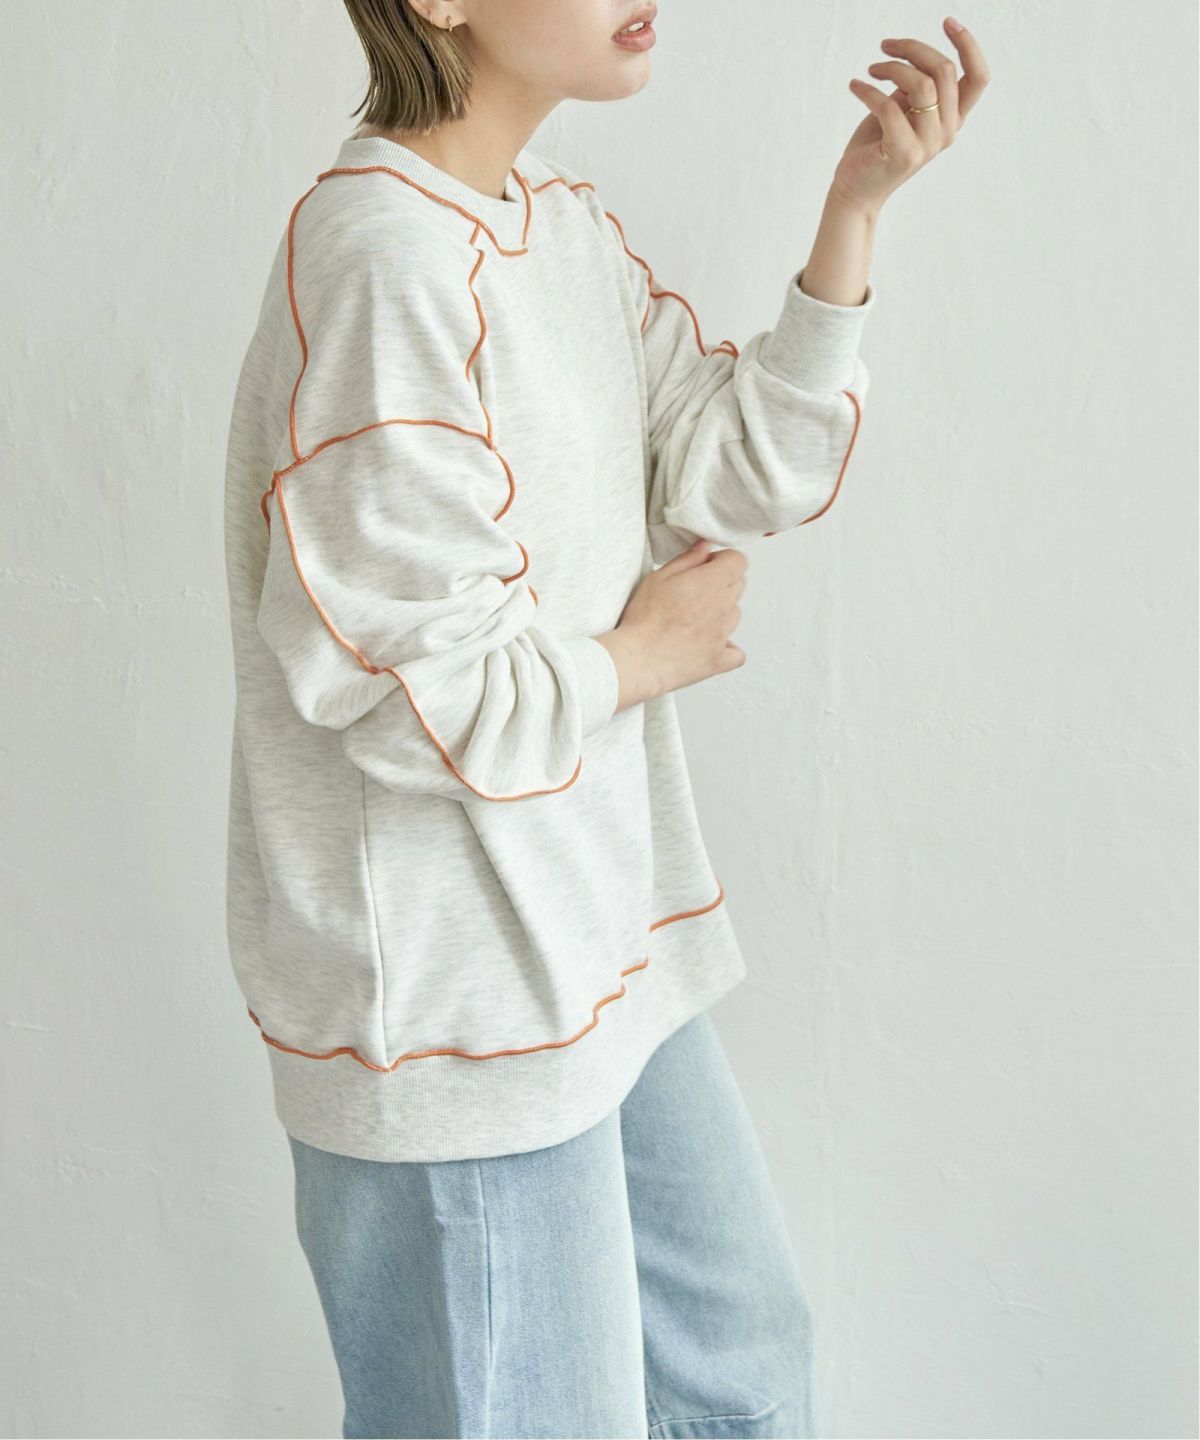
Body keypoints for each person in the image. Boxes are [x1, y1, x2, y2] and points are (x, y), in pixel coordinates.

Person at [221, 2, 988, 1434]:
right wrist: (641, 657)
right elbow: (413, 691)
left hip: (599, 945)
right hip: (452, 1003)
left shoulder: (557, 230)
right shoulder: (383, 255)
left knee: (739, 1381)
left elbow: (734, 469)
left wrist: (855, 211)